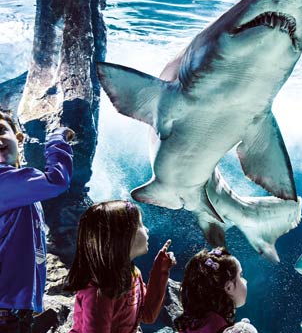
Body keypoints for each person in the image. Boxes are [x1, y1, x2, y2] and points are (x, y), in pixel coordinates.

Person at [0, 109, 74, 333]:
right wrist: (56, 139)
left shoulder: (23, 191)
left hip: (15, 311)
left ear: (18, 137)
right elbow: (57, 180)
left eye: (1, 130)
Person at [64, 200, 176, 332]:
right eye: (140, 224)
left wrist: (161, 271)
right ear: (123, 236)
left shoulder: (133, 273)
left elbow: (147, 315)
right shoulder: (99, 291)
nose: (147, 229)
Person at [174, 247, 248, 333]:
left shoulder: (193, 323)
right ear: (229, 287)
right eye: (240, 275)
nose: (245, 281)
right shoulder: (218, 327)